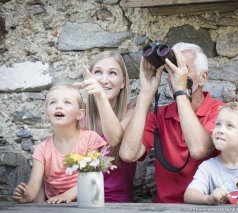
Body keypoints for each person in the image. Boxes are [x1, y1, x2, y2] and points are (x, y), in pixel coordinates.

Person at [120, 42, 224, 203]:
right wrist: (146, 93)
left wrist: (181, 90)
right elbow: (128, 154)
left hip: (206, 205)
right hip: (164, 207)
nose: (176, 74)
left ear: (203, 77)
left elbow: (199, 149)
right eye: (172, 68)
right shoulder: (160, 115)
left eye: (184, 68)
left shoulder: (221, 112)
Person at [11, 83, 107, 204]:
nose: (58, 106)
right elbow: (34, 185)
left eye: (67, 102)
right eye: (53, 102)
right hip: (54, 206)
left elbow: (93, 176)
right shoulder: (42, 149)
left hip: (85, 204)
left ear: (80, 114)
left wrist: (67, 195)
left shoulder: (90, 139)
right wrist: (26, 194)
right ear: (47, 114)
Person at [74, 51, 136, 202]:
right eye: (97, 73)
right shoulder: (79, 116)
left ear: (123, 82)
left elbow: (114, 138)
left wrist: (100, 96)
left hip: (118, 204)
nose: (104, 80)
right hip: (81, 199)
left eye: (112, 73)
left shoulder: (132, 112)